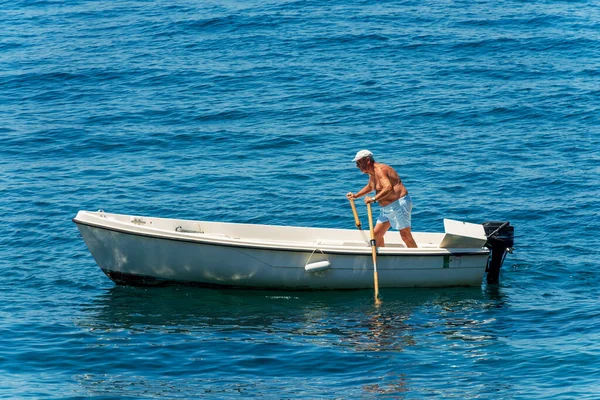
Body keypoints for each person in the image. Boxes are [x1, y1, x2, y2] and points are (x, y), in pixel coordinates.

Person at [346, 150, 418, 248]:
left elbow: (388, 187)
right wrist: (355, 196)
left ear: (367, 160)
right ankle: (383, 258)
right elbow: (370, 187)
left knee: (405, 235)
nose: (357, 166)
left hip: (398, 205)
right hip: (386, 208)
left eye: (359, 162)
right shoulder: (372, 173)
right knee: (376, 235)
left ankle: (416, 260)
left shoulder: (380, 170)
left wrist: (373, 199)